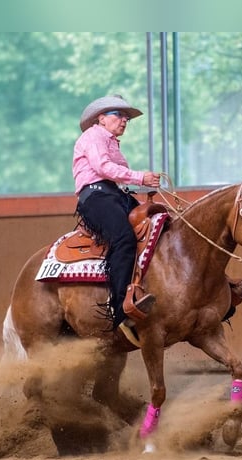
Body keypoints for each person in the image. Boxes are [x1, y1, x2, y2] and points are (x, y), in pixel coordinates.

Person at [73, 95, 161, 341]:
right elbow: (103, 168)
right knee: (124, 239)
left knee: (160, 225)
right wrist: (141, 178)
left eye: (126, 117)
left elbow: (116, 176)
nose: (124, 120)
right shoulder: (93, 136)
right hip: (97, 198)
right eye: (118, 114)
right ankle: (122, 309)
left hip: (115, 196)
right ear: (101, 118)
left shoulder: (111, 142)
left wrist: (141, 183)